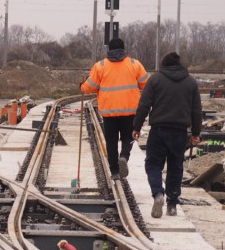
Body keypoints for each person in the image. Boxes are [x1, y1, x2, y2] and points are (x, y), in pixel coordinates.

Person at [132, 52, 202, 218]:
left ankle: (158, 193)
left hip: (159, 130)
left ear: (164, 65)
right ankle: (172, 205)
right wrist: (196, 133)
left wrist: (136, 126)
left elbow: (144, 105)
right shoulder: (191, 81)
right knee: (176, 167)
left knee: (153, 165)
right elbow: (196, 110)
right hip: (180, 132)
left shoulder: (155, 79)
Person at [80, 37, 149, 180]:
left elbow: (90, 86)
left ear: (109, 50)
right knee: (128, 137)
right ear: (124, 50)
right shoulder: (134, 64)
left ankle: (115, 172)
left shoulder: (100, 65)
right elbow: (145, 84)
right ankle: (124, 156)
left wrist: (82, 86)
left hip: (109, 112)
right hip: (130, 111)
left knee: (111, 142)